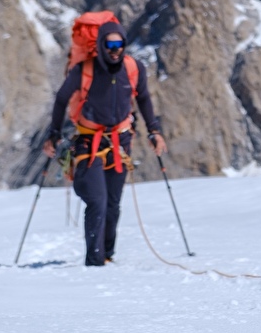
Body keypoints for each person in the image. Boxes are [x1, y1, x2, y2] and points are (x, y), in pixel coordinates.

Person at [42, 20, 167, 266]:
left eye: (119, 43)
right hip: (89, 141)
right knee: (97, 200)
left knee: (112, 204)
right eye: (109, 43)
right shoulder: (84, 70)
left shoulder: (133, 69)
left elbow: (143, 99)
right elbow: (61, 99)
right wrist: (54, 133)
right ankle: (95, 262)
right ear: (100, 45)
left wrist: (154, 131)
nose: (114, 49)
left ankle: (107, 255)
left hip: (121, 140)